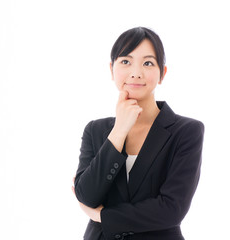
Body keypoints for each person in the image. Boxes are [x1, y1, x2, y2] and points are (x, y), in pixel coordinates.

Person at [73, 27, 204, 240]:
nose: (136, 72)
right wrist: (119, 131)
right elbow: (86, 195)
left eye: (148, 63)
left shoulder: (187, 131)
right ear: (111, 68)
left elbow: (171, 209)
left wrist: (103, 216)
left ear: (163, 73)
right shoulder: (95, 130)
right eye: (125, 61)